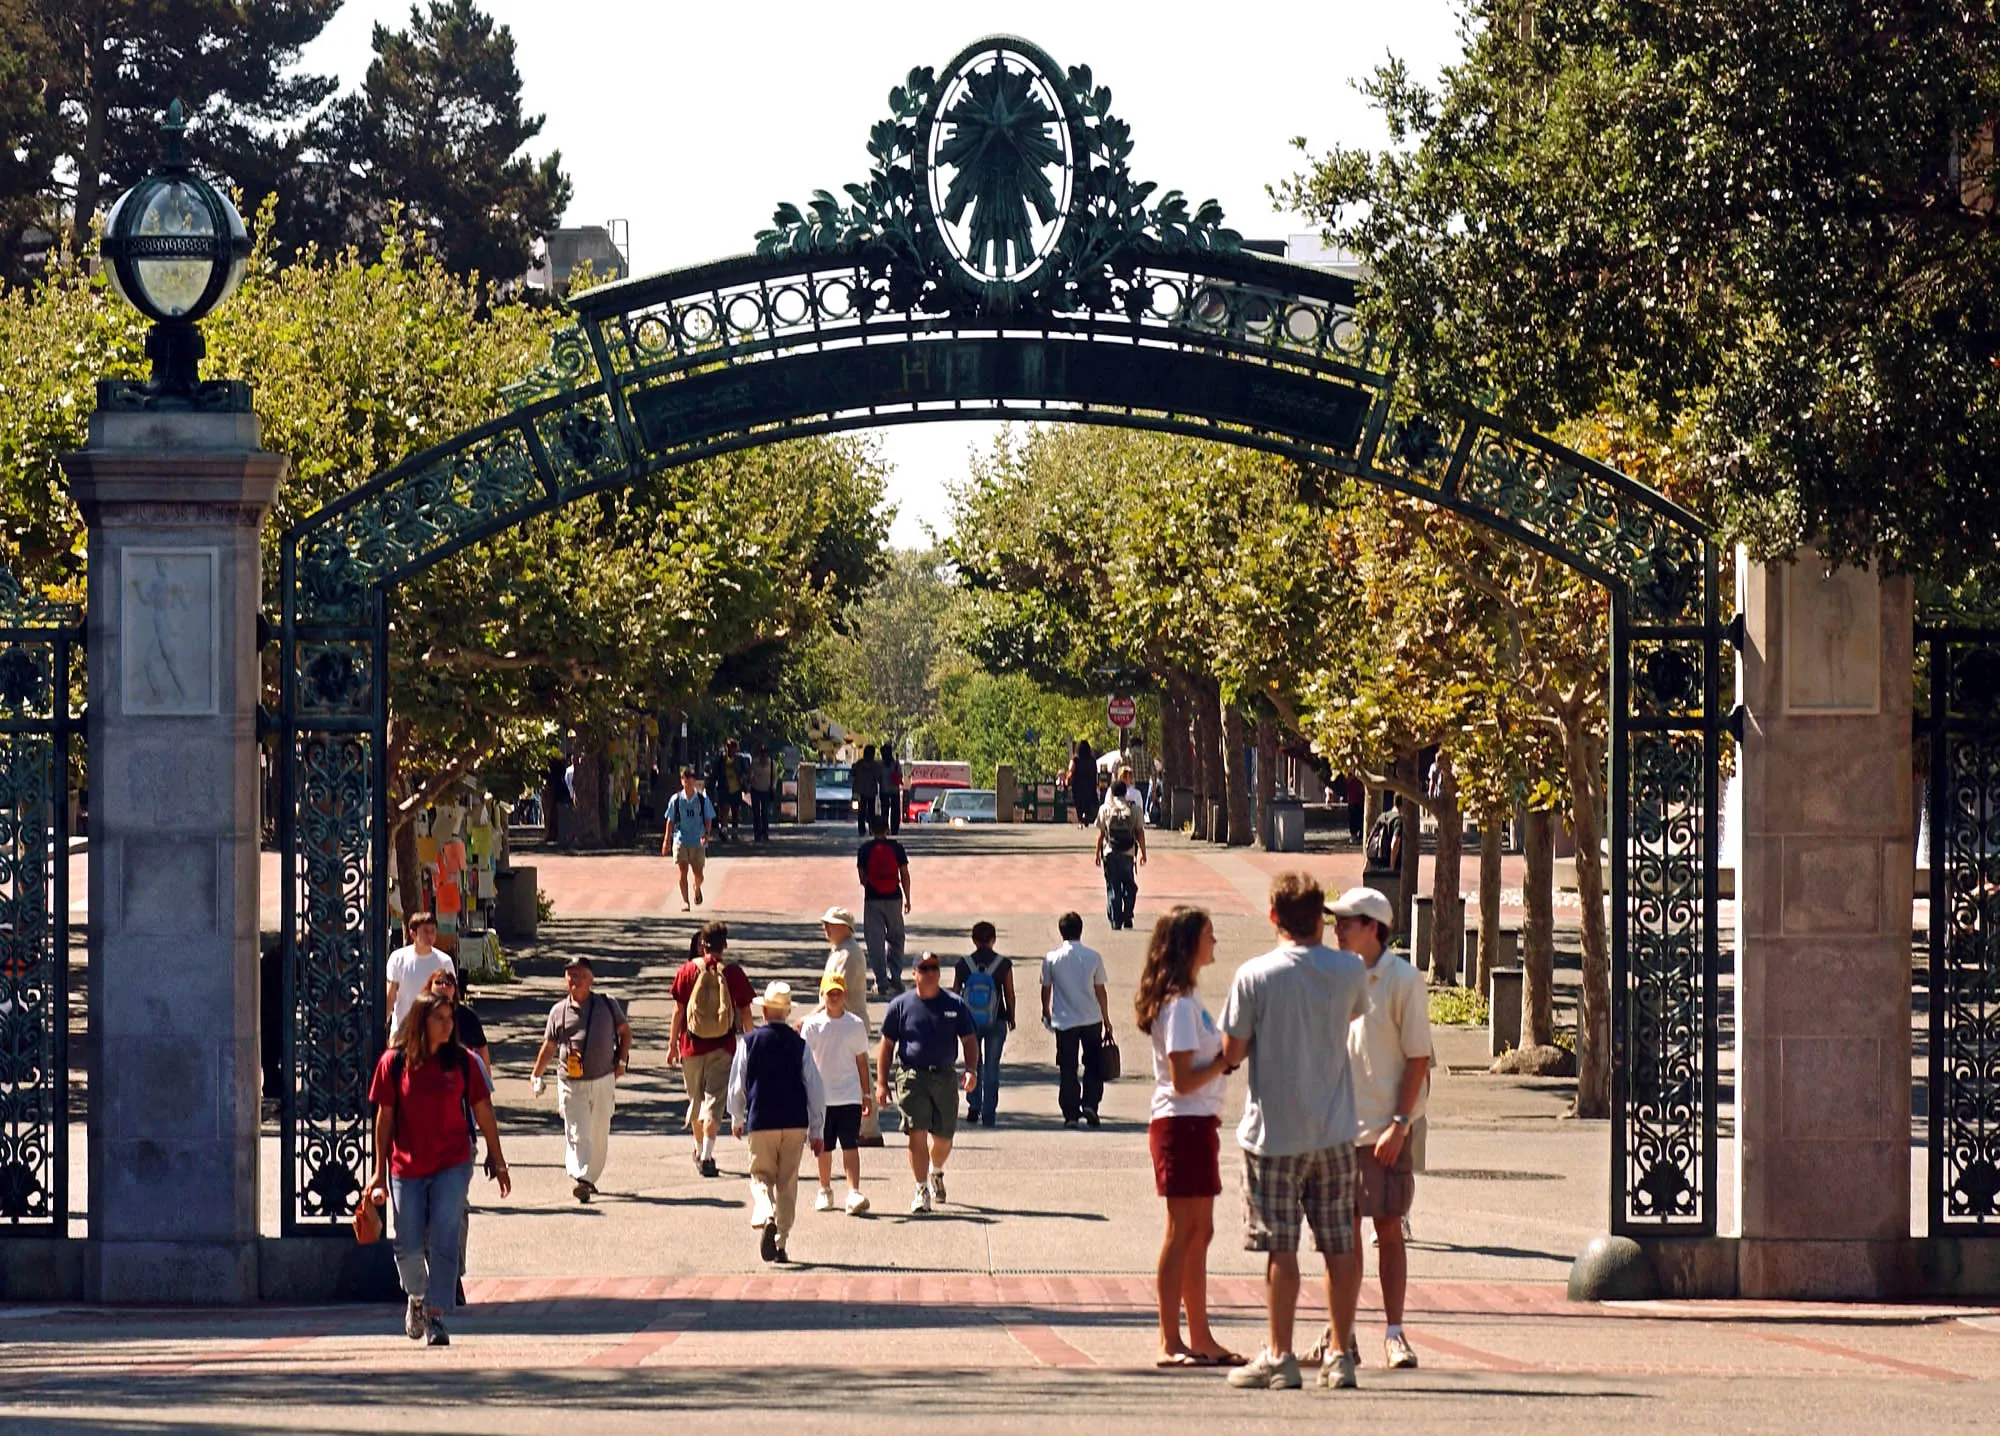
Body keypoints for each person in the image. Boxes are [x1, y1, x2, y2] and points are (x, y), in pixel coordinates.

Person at [1219, 872, 1370, 1392]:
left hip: (1272, 1133)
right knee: (1338, 1245)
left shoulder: (1255, 975)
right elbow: (1353, 1017)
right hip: (1334, 1128)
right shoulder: (1349, 971)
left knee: (1280, 1249)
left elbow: (1233, 1051)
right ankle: (1339, 1355)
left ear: (1273, 916)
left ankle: (1280, 1355)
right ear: (1321, 921)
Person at [1299, 887, 1431, 1373]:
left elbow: (1419, 1058)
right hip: (1336, 1131)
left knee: (1389, 1230)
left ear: (1373, 927)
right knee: (1341, 1238)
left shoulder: (1403, 980)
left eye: (1347, 921)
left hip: (1385, 1130)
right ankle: (1342, 1334)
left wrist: (1400, 1124)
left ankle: (1395, 1334)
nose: (1337, 928)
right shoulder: (1332, 979)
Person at [366, 990, 510, 1348]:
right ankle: (416, 1297)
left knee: (445, 1235)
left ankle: (437, 1316)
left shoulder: (463, 1061)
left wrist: (497, 1157)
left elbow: (483, 1109)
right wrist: (378, 1171)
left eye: (450, 1019)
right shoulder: (394, 1063)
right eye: (440, 1019)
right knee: (408, 1241)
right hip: (406, 1165)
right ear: (421, 1021)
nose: (448, 1025)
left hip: (452, 1162)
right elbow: (384, 1120)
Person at [1136, 906, 1243, 1369]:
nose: (1215, 940)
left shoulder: (1190, 1001)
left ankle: (1200, 1336)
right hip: (1180, 1123)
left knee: (1201, 1231)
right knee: (1181, 1232)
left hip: (1199, 1124)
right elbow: (1181, 1078)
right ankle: (1170, 1340)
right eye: (1209, 934)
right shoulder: (1179, 1006)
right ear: (1187, 944)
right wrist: (1226, 1060)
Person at [727, 982, 825, 1263]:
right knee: (787, 1182)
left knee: (760, 1176)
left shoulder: (749, 1042)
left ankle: (766, 1211)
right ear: (786, 1012)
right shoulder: (800, 1045)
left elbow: (738, 1085)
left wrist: (737, 1116)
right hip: (795, 1121)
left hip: (762, 1119)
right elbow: (814, 1088)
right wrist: (816, 1129)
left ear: (765, 1010)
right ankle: (781, 1241)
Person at [874, 952, 978, 1213]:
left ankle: (936, 1169)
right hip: (911, 1077)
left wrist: (972, 1070)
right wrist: (882, 1083)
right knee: (916, 1133)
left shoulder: (955, 1004)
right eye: (924, 968)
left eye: (934, 968)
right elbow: (887, 1045)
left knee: (943, 1138)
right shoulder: (901, 1005)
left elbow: (968, 1040)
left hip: (944, 1076)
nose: (930, 973)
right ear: (914, 973)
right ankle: (921, 1189)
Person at [528, 957, 631, 1203]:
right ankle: (583, 1178)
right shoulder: (558, 1011)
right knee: (578, 1129)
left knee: (599, 1130)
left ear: (591, 979)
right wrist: (536, 1074)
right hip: (570, 1081)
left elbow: (625, 1033)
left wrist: (622, 1061)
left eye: (581, 975)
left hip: (603, 1077)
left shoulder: (607, 1005)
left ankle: (589, 1176)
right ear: (565, 980)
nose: (576, 980)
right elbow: (549, 1046)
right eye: (571, 975)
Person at [670, 921, 755, 1177]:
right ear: (724, 945)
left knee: (695, 1100)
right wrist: (751, 1044)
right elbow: (746, 1012)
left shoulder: (687, 971)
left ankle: (698, 1149)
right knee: (714, 1101)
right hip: (723, 1046)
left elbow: (678, 1011)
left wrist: (672, 1044)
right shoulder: (733, 973)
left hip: (690, 1046)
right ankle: (707, 1154)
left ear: (701, 944)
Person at [802, 972, 872, 1214]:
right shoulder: (812, 1026)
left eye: (838, 993)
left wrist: (866, 1094)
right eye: (829, 993)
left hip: (849, 1094)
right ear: (822, 995)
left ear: (845, 996)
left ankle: (853, 1192)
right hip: (821, 1096)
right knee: (824, 1147)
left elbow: (861, 1060)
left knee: (850, 1144)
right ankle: (825, 1189)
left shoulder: (855, 1024)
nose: (834, 997)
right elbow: (805, 1062)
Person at [1040, 911, 1112, 1128]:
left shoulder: (1051, 958)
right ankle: (1090, 1104)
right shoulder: (1093, 956)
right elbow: (1100, 990)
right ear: (1081, 930)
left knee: (1068, 1067)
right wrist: (1106, 1019)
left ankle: (1071, 1113)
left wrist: (1045, 1011)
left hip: (1064, 1020)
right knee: (1093, 1064)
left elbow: (1046, 988)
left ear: (1061, 932)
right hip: (1091, 1018)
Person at [821, 903, 882, 1144]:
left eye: (830, 924)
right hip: (839, 1022)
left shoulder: (848, 954)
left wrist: (812, 1017)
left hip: (849, 1023)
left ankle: (868, 1129)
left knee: (859, 1073)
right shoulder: (839, 951)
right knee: (851, 1072)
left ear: (844, 928)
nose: (825, 928)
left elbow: (835, 993)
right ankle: (861, 1127)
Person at [952, 921, 1015, 1125]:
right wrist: (1011, 1016)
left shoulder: (964, 964)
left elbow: (954, 993)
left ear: (974, 940)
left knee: (973, 1064)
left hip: (969, 1023)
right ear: (993, 940)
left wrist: (953, 1019)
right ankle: (989, 1111)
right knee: (992, 1067)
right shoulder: (1003, 964)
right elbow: (1009, 993)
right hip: (996, 1020)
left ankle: (974, 1105)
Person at [857, 816, 911, 997]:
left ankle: (881, 982)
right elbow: (904, 874)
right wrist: (907, 898)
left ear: (871, 830)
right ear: (887, 830)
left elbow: (862, 878)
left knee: (875, 942)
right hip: (894, 898)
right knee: (896, 939)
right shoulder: (897, 848)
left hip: (873, 899)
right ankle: (895, 977)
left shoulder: (864, 850)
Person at [386, 911, 453, 1038]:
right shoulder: (398, 958)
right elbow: (391, 995)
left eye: (433, 931)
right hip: (403, 1031)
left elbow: (450, 997)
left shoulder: (444, 961)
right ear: (413, 933)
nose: (430, 936)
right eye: (425, 931)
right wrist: (383, 1023)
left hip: (433, 1033)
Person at [1096, 776, 1148, 930]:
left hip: (1110, 852)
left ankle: (1115, 920)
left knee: (1113, 886)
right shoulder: (1134, 810)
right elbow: (1140, 833)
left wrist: (1097, 853)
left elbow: (1101, 834)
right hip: (1128, 853)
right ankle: (1128, 914)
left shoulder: (1105, 809)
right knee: (1129, 886)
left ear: (1111, 793)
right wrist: (1143, 853)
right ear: (1126, 793)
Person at [661, 767, 715, 912]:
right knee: (682, 870)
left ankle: (697, 888)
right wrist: (667, 840)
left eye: (691, 777)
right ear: (682, 780)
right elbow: (670, 820)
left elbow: (708, 818)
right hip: (681, 839)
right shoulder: (676, 799)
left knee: (698, 873)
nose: (688, 780)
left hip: (697, 840)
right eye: (685, 777)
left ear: (694, 780)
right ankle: (685, 901)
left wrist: (706, 834)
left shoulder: (702, 800)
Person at [850, 744, 881, 835]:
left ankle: (862, 829)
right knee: (871, 812)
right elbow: (878, 777)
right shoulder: (875, 765)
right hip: (870, 791)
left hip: (861, 791)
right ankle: (871, 829)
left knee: (862, 811)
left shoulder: (859, 764)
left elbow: (852, 774)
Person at [748, 743, 777, 843]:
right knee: (756, 813)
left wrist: (773, 787)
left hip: (766, 790)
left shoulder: (772, 764)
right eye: (762, 754)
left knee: (765, 812)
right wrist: (751, 781)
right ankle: (757, 834)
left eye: (765, 754)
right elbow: (751, 776)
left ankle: (765, 832)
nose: (763, 756)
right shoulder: (755, 763)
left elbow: (774, 777)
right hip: (756, 790)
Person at [1066, 739, 1097, 827]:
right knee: (1088, 802)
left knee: (1078, 803)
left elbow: (1071, 770)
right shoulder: (1092, 760)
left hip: (1078, 785)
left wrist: (1068, 779)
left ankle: (1080, 820)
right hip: (1090, 785)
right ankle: (1086, 816)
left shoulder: (1075, 759)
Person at [883, 748, 905, 835]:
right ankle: (894, 828)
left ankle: (885, 827)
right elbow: (900, 775)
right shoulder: (895, 764)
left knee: (885, 810)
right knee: (895, 810)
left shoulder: (881, 764)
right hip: (894, 789)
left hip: (884, 790)